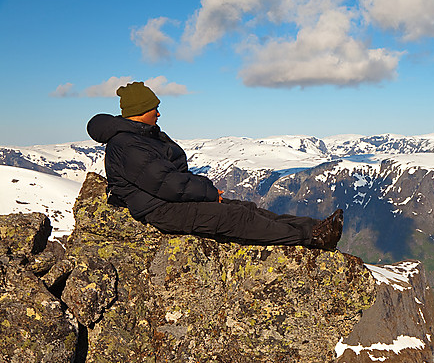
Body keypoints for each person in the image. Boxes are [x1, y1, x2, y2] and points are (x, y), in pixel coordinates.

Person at [87, 81, 343, 250]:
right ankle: (311, 239)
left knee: (246, 207)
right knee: (237, 217)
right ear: (141, 109)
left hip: (166, 202)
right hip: (160, 210)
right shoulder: (128, 144)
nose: (158, 113)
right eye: (155, 108)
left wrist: (204, 191)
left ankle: (315, 226)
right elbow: (167, 184)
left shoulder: (142, 135)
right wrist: (207, 190)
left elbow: (169, 179)